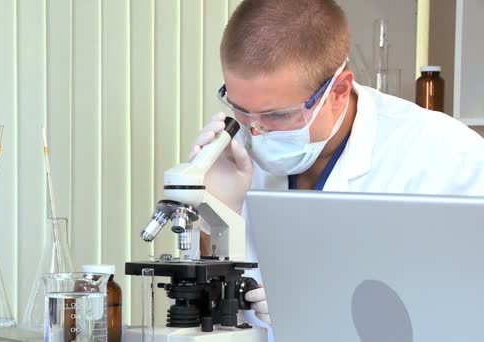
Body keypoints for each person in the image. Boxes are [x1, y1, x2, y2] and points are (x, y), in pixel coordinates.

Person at [188, 0, 484, 339]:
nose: (256, 131)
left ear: (339, 91)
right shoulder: (232, 153)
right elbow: (209, 306)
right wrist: (218, 214)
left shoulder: (446, 157)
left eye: (278, 115)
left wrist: (326, 310)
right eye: (241, 110)